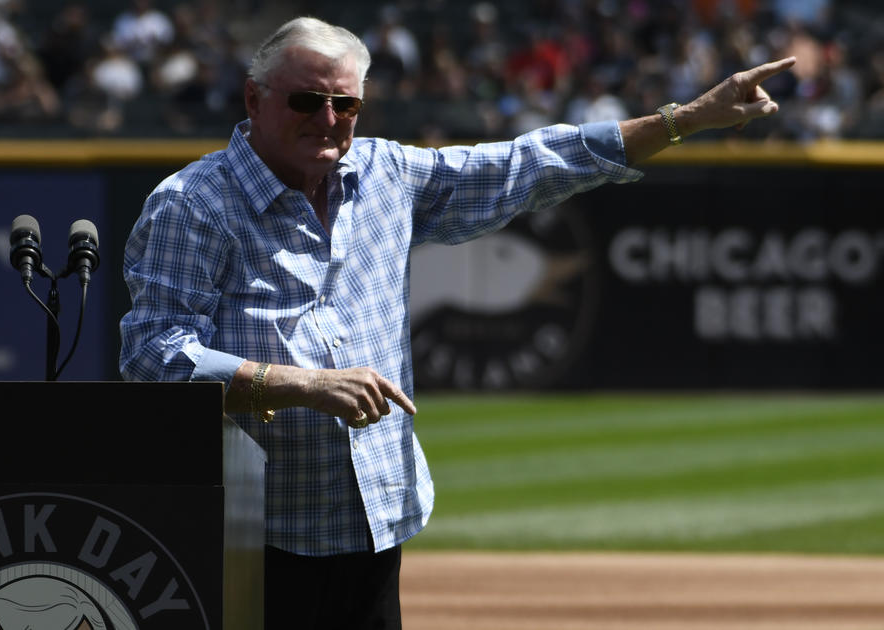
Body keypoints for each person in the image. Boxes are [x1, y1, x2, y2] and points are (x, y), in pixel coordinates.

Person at [119, 16, 795, 630]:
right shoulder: (191, 205)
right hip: (254, 534)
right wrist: (297, 384)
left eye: (344, 103)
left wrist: (682, 120)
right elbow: (152, 357)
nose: (327, 118)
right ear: (254, 99)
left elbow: (529, 165)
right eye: (306, 100)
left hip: (373, 525)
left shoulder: (385, 173)